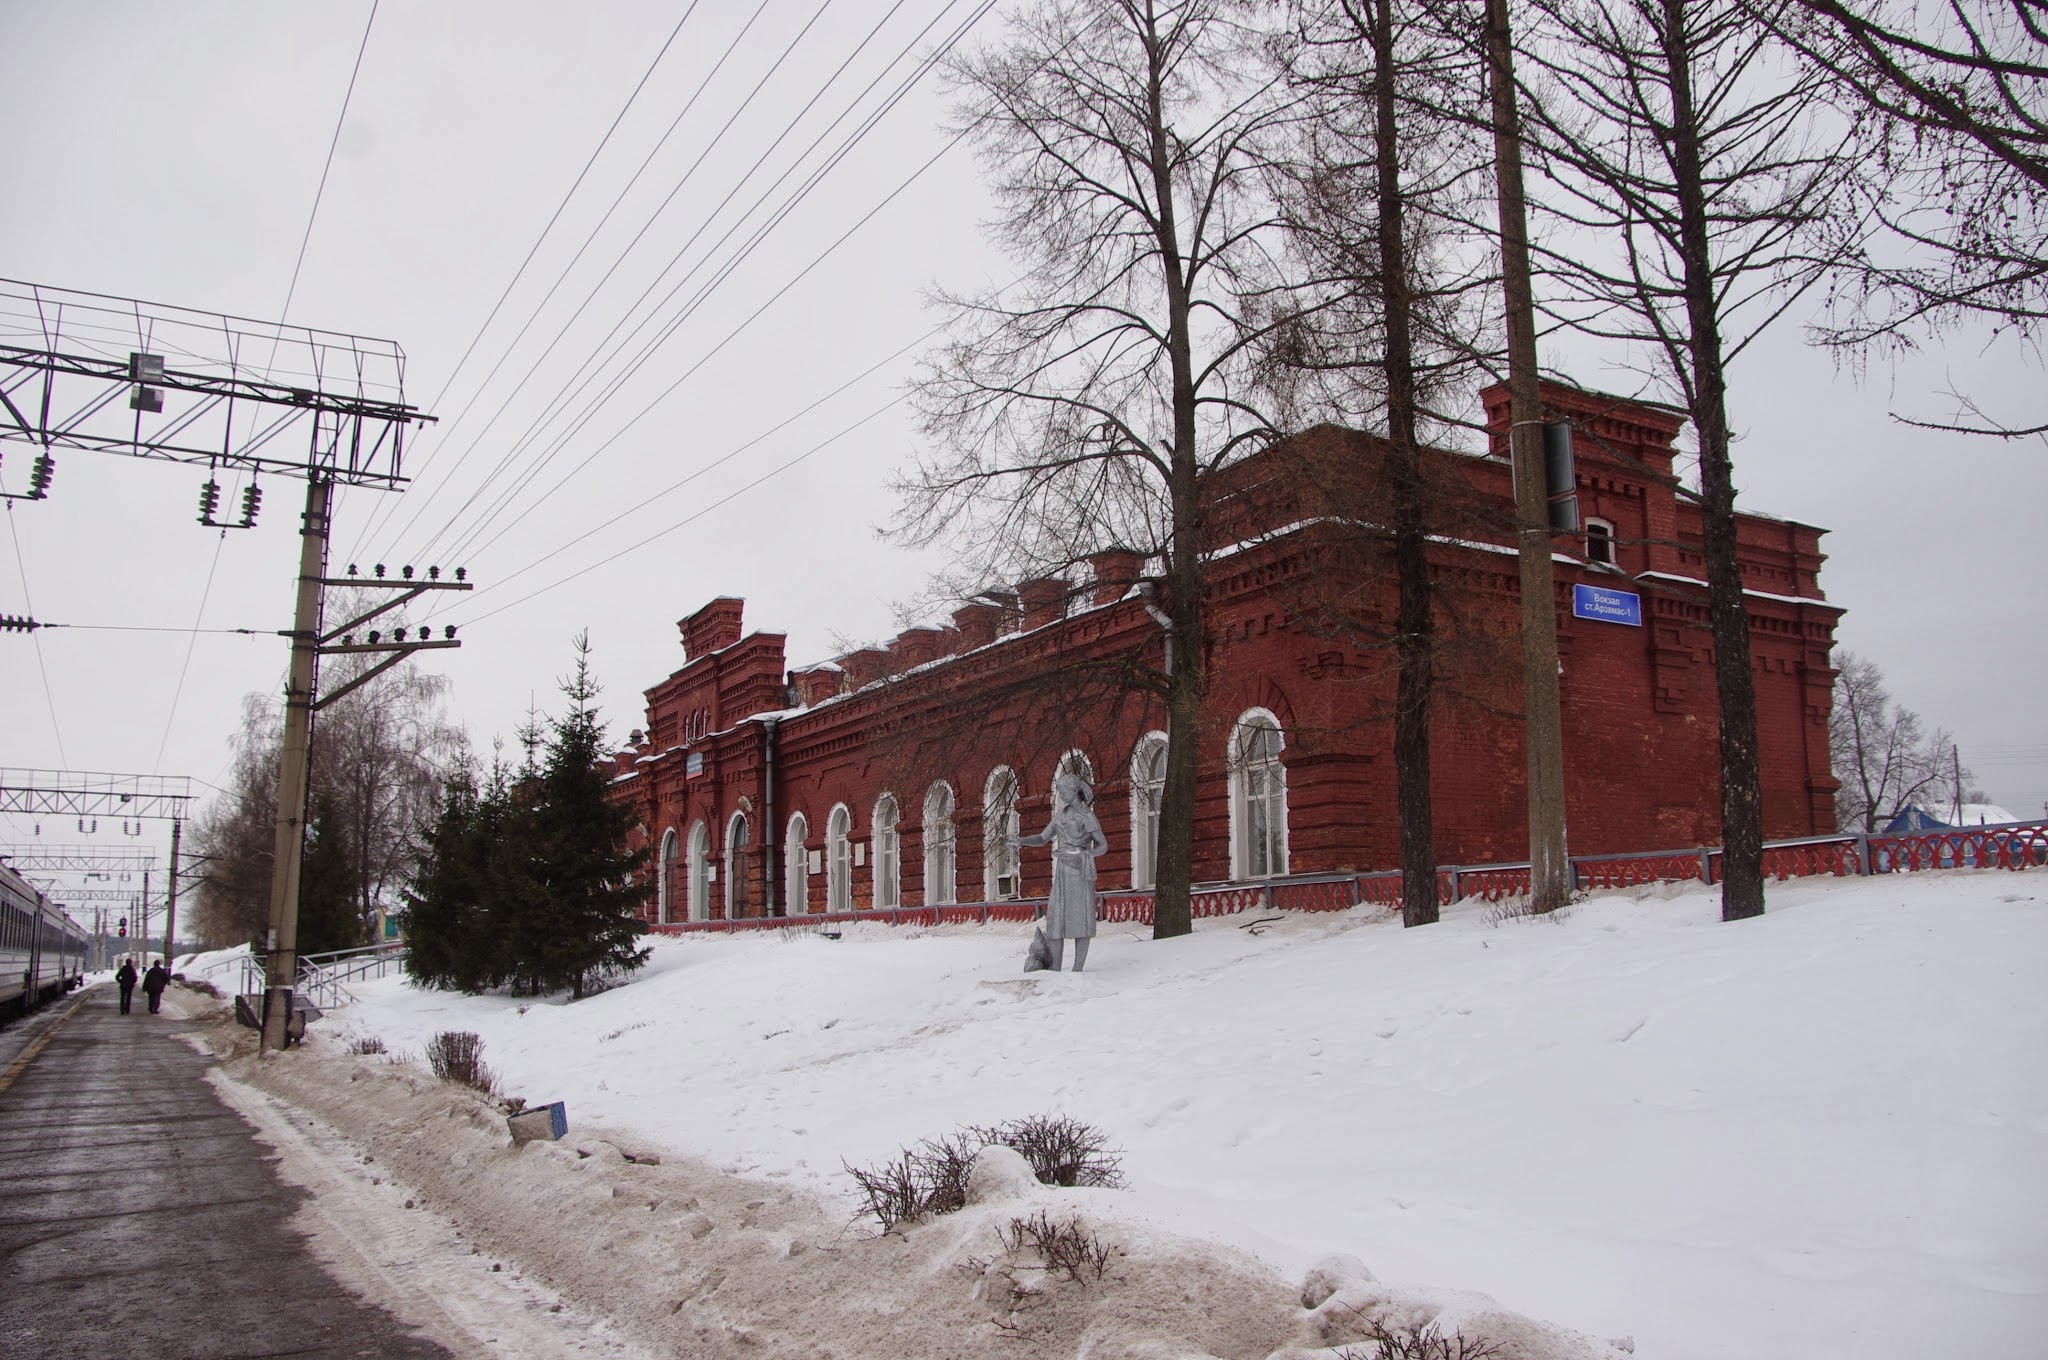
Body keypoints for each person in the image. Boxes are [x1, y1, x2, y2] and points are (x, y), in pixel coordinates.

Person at [1014, 773, 1108, 972]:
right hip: (1063, 871)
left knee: (1081, 920)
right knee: (1056, 921)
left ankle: (1077, 969)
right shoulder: (1060, 815)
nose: (1061, 795)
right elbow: (1042, 838)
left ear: (1074, 791)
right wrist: (1021, 841)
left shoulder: (1087, 816)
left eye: (1064, 791)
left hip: (1080, 872)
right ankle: (1055, 969)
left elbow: (1103, 845)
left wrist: (1086, 854)